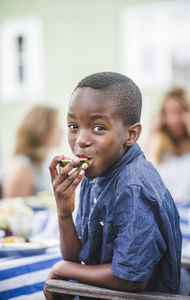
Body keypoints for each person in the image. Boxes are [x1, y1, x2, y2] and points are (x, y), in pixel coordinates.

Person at [44, 72, 182, 299]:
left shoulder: (133, 187)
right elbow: (77, 256)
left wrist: (63, 269)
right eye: (73, 125)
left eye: (98, 128)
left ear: (131, 134)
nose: (80, 140)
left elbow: (131, 279)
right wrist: (64, 212)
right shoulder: (95, 173)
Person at [144, 87, 190, 203]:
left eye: (179, 112)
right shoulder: (162, 152)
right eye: (167, 113)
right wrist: (152, 132)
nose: (173, 120)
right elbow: (141, 173)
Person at [2, 104, 63, 198]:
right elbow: (15, 210)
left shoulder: (44, 162)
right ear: (42, 130)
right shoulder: (21, 167)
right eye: (55, 126)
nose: (61, 131)